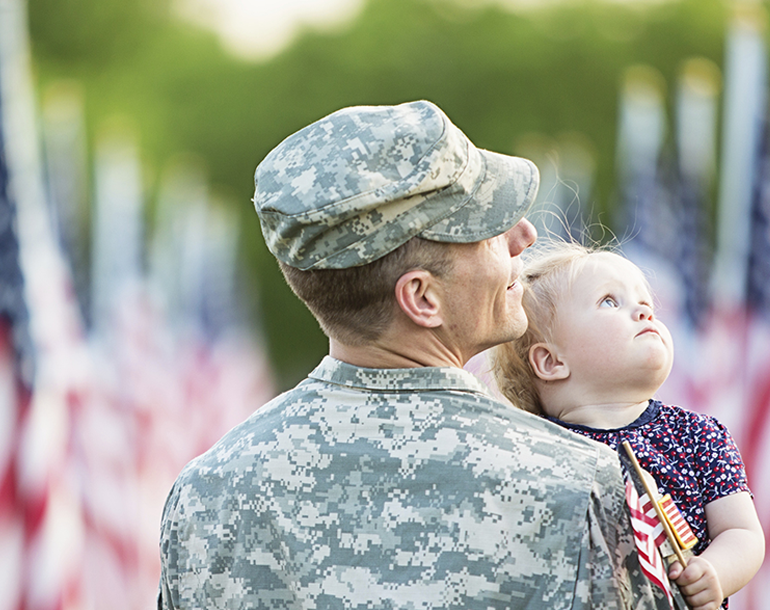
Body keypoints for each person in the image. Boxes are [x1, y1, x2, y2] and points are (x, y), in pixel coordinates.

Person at [157, 100, 681, 609]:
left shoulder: (205, 493)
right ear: (422, 298)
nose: (525, 235)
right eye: (487, 231)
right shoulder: (579, 483)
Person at [490, 241, 765, 610]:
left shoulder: (698, 434)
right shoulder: (534, 451)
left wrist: (714, 571)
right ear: (552, 362)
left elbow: (742, 532)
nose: (643, 312)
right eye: (609, 301)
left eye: (646, 304)